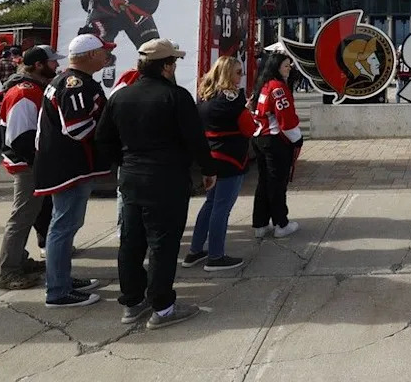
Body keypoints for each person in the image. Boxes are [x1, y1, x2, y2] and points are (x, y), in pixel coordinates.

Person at [95, 39, 217, 329]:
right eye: (173, 62)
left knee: (131, 242)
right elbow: (195, 139)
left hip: (132, 177)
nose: (174, 67)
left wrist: (123, 162)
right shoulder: (175, 96)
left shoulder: (121, 97)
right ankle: (163, 308)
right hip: (167, 179)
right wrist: (208, 170)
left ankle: (132, 302)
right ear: (165, 66)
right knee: (163, 244)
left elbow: (102, 138)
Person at [34, 34, 115, 308]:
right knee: (63, 227)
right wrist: (110, 133)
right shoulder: (75, 84)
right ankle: (57, 291)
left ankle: (62, 280)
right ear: (91, 55)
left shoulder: (72, 81)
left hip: (69, 165)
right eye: (104, 52)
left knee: (66, 225)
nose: (107, 56)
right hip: (69, 167)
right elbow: (77, 129)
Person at [0, 46, 64, 290]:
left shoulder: (33, 89)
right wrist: (41, 163)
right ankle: (9, 271)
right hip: (26, 165)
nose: (57, 66)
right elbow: (21, 138)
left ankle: (18, 260)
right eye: (53, 62)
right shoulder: (25, 93)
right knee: (22, 216)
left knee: (28, 215)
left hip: (28, 163)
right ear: (38, 65)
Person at [182, 56, 255, 272]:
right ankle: (215, 256)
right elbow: (248, 129)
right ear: (226, 74)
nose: (240, 77)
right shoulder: (233, 99)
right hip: (230, 158)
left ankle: (195, 251)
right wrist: (247, 110)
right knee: (221, 208)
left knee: (211, 204)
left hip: (211, 156)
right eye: (238, 72)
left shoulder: (205, 96)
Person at [78, 0, 161, 88]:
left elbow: (147, 11)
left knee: (155, 49)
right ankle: (107, 61)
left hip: (133, 16)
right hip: (105, 10)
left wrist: (123, 19)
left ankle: (152, 80)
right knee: (93, 40)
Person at [251, 53, 303, 238]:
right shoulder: (278, 88)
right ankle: (281, 223)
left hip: (260, 138)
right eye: (285, 66)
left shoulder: (264, 85)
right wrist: (297, 138)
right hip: (274, 140)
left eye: (289, 65)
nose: (289, 68)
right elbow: (286, 120)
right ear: (276, 67)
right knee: (277, 183)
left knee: (264, 182)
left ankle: (260, 223)